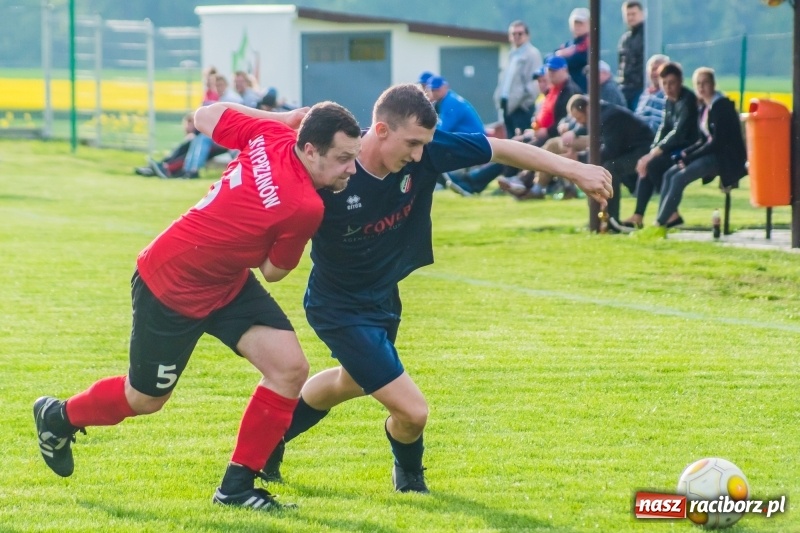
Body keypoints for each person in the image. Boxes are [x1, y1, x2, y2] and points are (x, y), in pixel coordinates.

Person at [259, 83, 612, 493]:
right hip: (337, 306)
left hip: (383, 297)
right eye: (411, 143)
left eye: (425, 144)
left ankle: (269, 439)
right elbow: (271, 177)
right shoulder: (333, 171)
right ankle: (409, 479)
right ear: (381, 130)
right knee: (412, 411)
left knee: (349, 382)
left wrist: (575, 169)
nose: (419, 155)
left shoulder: (424, 149)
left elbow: (500, 148)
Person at [33, 100, 363, 510]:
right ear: (310, 149)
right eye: (343, 159)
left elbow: (205, 115)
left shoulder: (272, 133)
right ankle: (58, 416)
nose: (351, 169)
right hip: (171, 285)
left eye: (354, 158)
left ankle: (236, 488)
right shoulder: (306, 206)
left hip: (224, 282)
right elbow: (274, 271)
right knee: (145, 399)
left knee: (289, 368)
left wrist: (281, 119)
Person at [654, 67, 747, 229]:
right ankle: (667, 219)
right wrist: (685, 153)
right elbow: (703, 140)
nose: (701, 87)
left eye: (705, 83)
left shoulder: (721, 106)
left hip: (723, 158)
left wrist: (690, 157)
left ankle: (659, 224)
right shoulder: (705, 107)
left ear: (713, 84)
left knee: (678, 178)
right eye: (698, 84)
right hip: (711, 154)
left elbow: (717, 142)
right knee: (669, 174)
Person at [611, 61, 699, 231]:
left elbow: (679, 132)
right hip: (672, 148)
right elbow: (664, 128)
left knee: (652, 165)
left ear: (680, 81)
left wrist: (653, 154)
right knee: (647, 166)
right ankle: (639, 215)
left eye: (672, 83)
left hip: (688, 150)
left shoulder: (687, 100)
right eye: (664, 83)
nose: (668, 87)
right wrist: (652, 150)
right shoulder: (669, 101)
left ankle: (671, 213)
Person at [566, 94, 654, 223]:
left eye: (580, 118)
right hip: (630, 149)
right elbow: (587, 129)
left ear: (588, 109)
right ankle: (599, 218)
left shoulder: (608, 117)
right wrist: (574, 133)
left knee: (611, 168)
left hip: (643, 150)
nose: (580, 123)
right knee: (604, 166)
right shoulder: (600, 113)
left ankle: (610, 219)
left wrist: (580, 157)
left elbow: (610, 151)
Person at [494, 20, 542, 139]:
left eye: (519, 33)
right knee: (510, 141)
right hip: (507, 105)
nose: (516, 37)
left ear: (527, 35)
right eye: (513, 34)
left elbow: (535, 82)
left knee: (521, 144)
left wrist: (524, 103)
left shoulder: (532, 54)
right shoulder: (511, 54)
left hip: (521, 108)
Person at [617, 1, 646, 110]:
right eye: (628, 14)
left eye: (633, 14)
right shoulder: (625, 39)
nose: (630, 17)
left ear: (642, 14)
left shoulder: (647, 36)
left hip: (640, 87)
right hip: (625, 87)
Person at [554, 8, 590, 93]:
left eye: (581, 23)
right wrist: (560, 54)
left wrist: (562, 56)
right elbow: (551, 58)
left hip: (582, 88)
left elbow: (578, 59)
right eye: (575, 23)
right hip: (568, 88)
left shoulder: (588, 42)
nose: (577, 26)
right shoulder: (569, 44)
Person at [634, 54, 670, 134]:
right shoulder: (645, 94)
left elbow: (659, 124)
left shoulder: (667, 95)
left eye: (658, 69)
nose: (655, 73)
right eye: (653, 69)